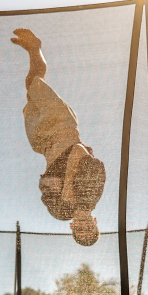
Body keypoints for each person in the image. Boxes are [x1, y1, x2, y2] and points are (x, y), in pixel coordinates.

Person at [11, 28, 106, 246]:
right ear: (95, 221)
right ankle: (35, 47)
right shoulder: (92, 194)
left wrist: (60, 186)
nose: (82, 224)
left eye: (79, 229)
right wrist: (67, 186)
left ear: (72, 227)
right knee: (35, 84)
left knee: (31, 86)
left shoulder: (60, 212)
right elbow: (78, 151)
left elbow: (44, 182)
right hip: (62, 125)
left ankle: (33, 50)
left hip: (41, 142)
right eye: (88, 226)